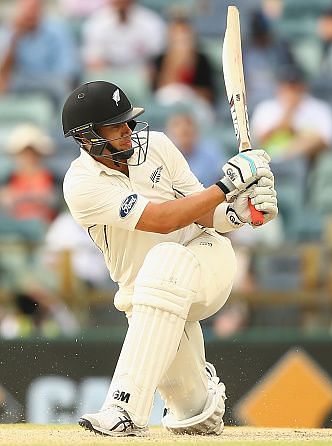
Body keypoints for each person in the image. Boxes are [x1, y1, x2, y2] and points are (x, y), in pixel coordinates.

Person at [61, 80, 277, 436]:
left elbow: (203, 214)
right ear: (87, 137)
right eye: (116, 125)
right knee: (195, 418)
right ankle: (202, 393)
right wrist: (225, 187)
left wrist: (237, 213)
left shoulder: (158, 145)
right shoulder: (81, 183)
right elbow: (162, 220)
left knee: (166, 259)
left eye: (128, 121)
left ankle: (122, 409)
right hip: (148, 298)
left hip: (205, 259)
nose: (129, 131)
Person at [251, 64, 332, 164]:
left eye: (294, 86)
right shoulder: (266, 108)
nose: (290, 90)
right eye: (286, 85)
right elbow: (256, 141)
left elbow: (328, 142)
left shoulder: (319, 109)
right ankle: (282, 161)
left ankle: (284, 160)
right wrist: (284, 119)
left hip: (308, 163)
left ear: (303, 86)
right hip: (267, 162)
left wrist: (295, 131)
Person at [0, 0, 79, 105]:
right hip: (21, 85)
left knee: (60, 86)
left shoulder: (58, 31)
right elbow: (4, 73)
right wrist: (15, 39)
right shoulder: (11, 33)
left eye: (33, 9)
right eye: (26, 9)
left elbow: (67, 72)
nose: (29, 13)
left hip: (51, 85)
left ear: (41, 10)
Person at [165, 110, 225, 188]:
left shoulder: (211, 151)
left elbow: (223, 180)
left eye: (188, 123)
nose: (184, 128)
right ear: (169, 132)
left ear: (196, 130)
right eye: (177, 124)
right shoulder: (164, 157)